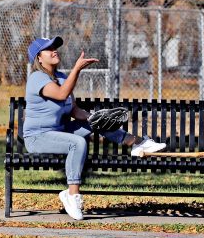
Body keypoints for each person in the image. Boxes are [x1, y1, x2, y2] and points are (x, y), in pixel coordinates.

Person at [22, 36, 166, 220]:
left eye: (55, 46)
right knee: (77, 143)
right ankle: (72, 195)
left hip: (59, 132)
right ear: (39, 58)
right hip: (37, 137)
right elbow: (61, 94)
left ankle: (137, 143)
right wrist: (77, 69)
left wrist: (95, 118)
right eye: (48, 48)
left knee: (95, 122)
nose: (54, 49)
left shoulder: (61, 77)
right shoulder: (36, 78)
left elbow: (73, 108)